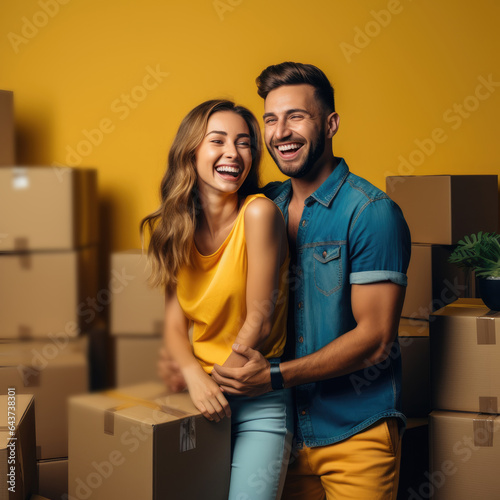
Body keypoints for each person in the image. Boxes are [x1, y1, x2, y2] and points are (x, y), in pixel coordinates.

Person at [209, 63, 412, 500]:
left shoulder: (371, 212)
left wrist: (275, 377)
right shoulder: (262, 208)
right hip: (279, 434)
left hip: (356, 434)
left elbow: (376, 338)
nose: (281, 131)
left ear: (331, 123)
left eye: (296, 116)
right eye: (270, 119)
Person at [141, 99, 293, 500]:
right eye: (218, 141)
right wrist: (194, 377)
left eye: (244, 143)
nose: (233, 153)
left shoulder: (259, 214)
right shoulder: (175, 229)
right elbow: (174, 326)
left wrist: (215, 387)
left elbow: (259, 318)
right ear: (191, 152)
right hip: (200, 394)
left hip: (256, 395)